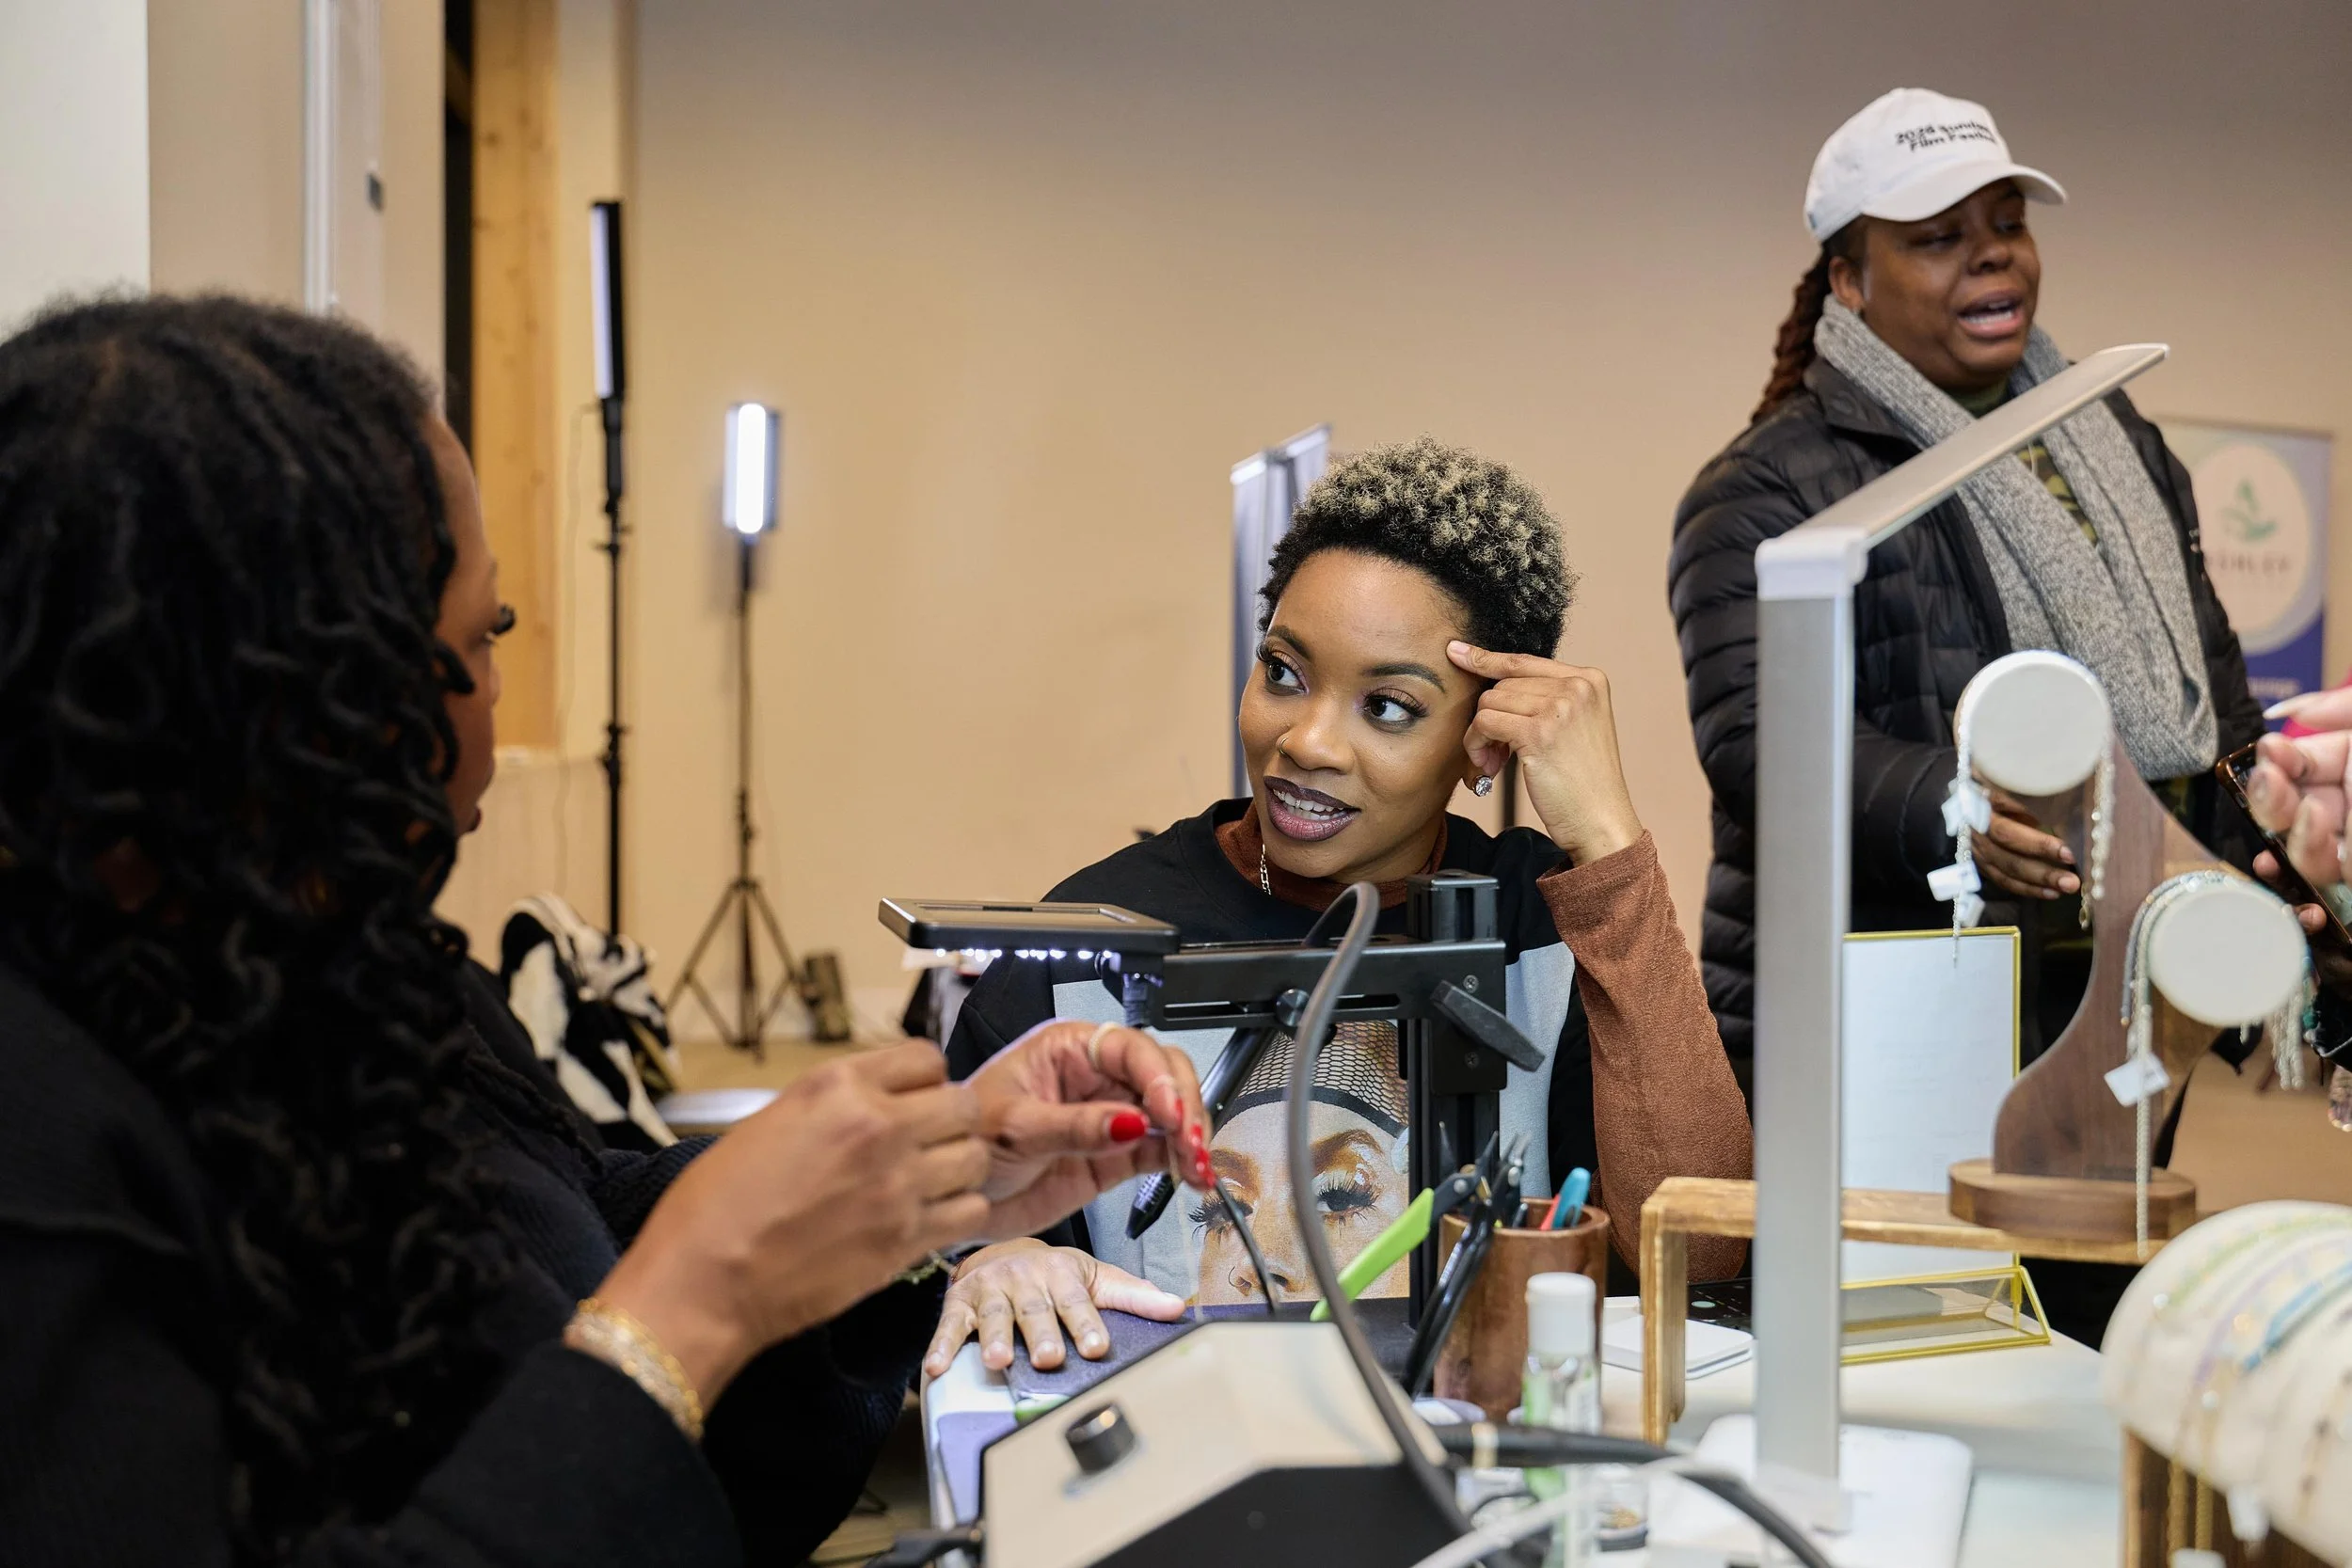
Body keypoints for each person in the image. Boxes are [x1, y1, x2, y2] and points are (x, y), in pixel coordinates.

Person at [0, 294, 1213, 1566]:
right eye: (478, 639)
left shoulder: (355, 980)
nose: (490, 692)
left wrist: (932, 1174)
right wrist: (687, 1309)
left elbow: (568, 1209)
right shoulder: (41, 1155)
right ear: (306, 698)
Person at [930, 437, 1752, 1377]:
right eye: (1283, 671)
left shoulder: (1538, 923)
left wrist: (1610, 845)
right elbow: (941, 1239)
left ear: (1483, 739)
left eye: (1389, 706)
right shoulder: (1093, 939)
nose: (1306, 739)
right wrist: (991, 1258)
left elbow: (1703, 1249)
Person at [1668, 89, 2262, 1341]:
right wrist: (1954, 802)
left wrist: (2268, 851)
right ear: (1850, 278)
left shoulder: (2113, 440)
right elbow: (1758, 742)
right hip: (1890, 1012)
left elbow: (2205, 688)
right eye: (1938, 235)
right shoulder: (1768, 484)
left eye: (2005, 221)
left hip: (2102, 1001)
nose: (1992, 252)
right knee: (1918, 1349)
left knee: (2081, 1346)